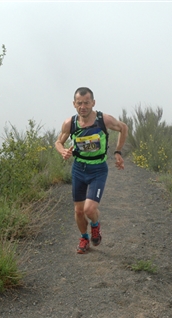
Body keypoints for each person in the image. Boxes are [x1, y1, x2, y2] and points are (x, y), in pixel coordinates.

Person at [55, 87, 128, 254]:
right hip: (79, 169)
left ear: (93, 103)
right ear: (74, 104)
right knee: (79, 211)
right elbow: (58, 142)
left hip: (98, 169)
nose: (83, 107)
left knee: (89, 209)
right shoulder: (70, 123)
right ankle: (83, 238)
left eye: (86, 103)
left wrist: (118, 151)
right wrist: (62, 151)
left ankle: (95, 225)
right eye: (79, 103)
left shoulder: (104, 120)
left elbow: (124, 127)